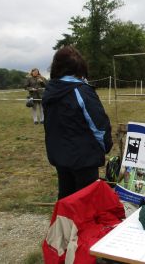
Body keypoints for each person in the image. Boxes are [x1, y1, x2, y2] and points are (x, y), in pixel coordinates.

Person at [42, 46, 113, 199]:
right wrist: (106, 145)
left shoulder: (48, 92)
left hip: (60, 156)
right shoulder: (81, 91)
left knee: (66, 197)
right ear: (80, 67)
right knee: (85, 201)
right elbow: (99, 125)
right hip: (83, 159)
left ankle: (64, 223)